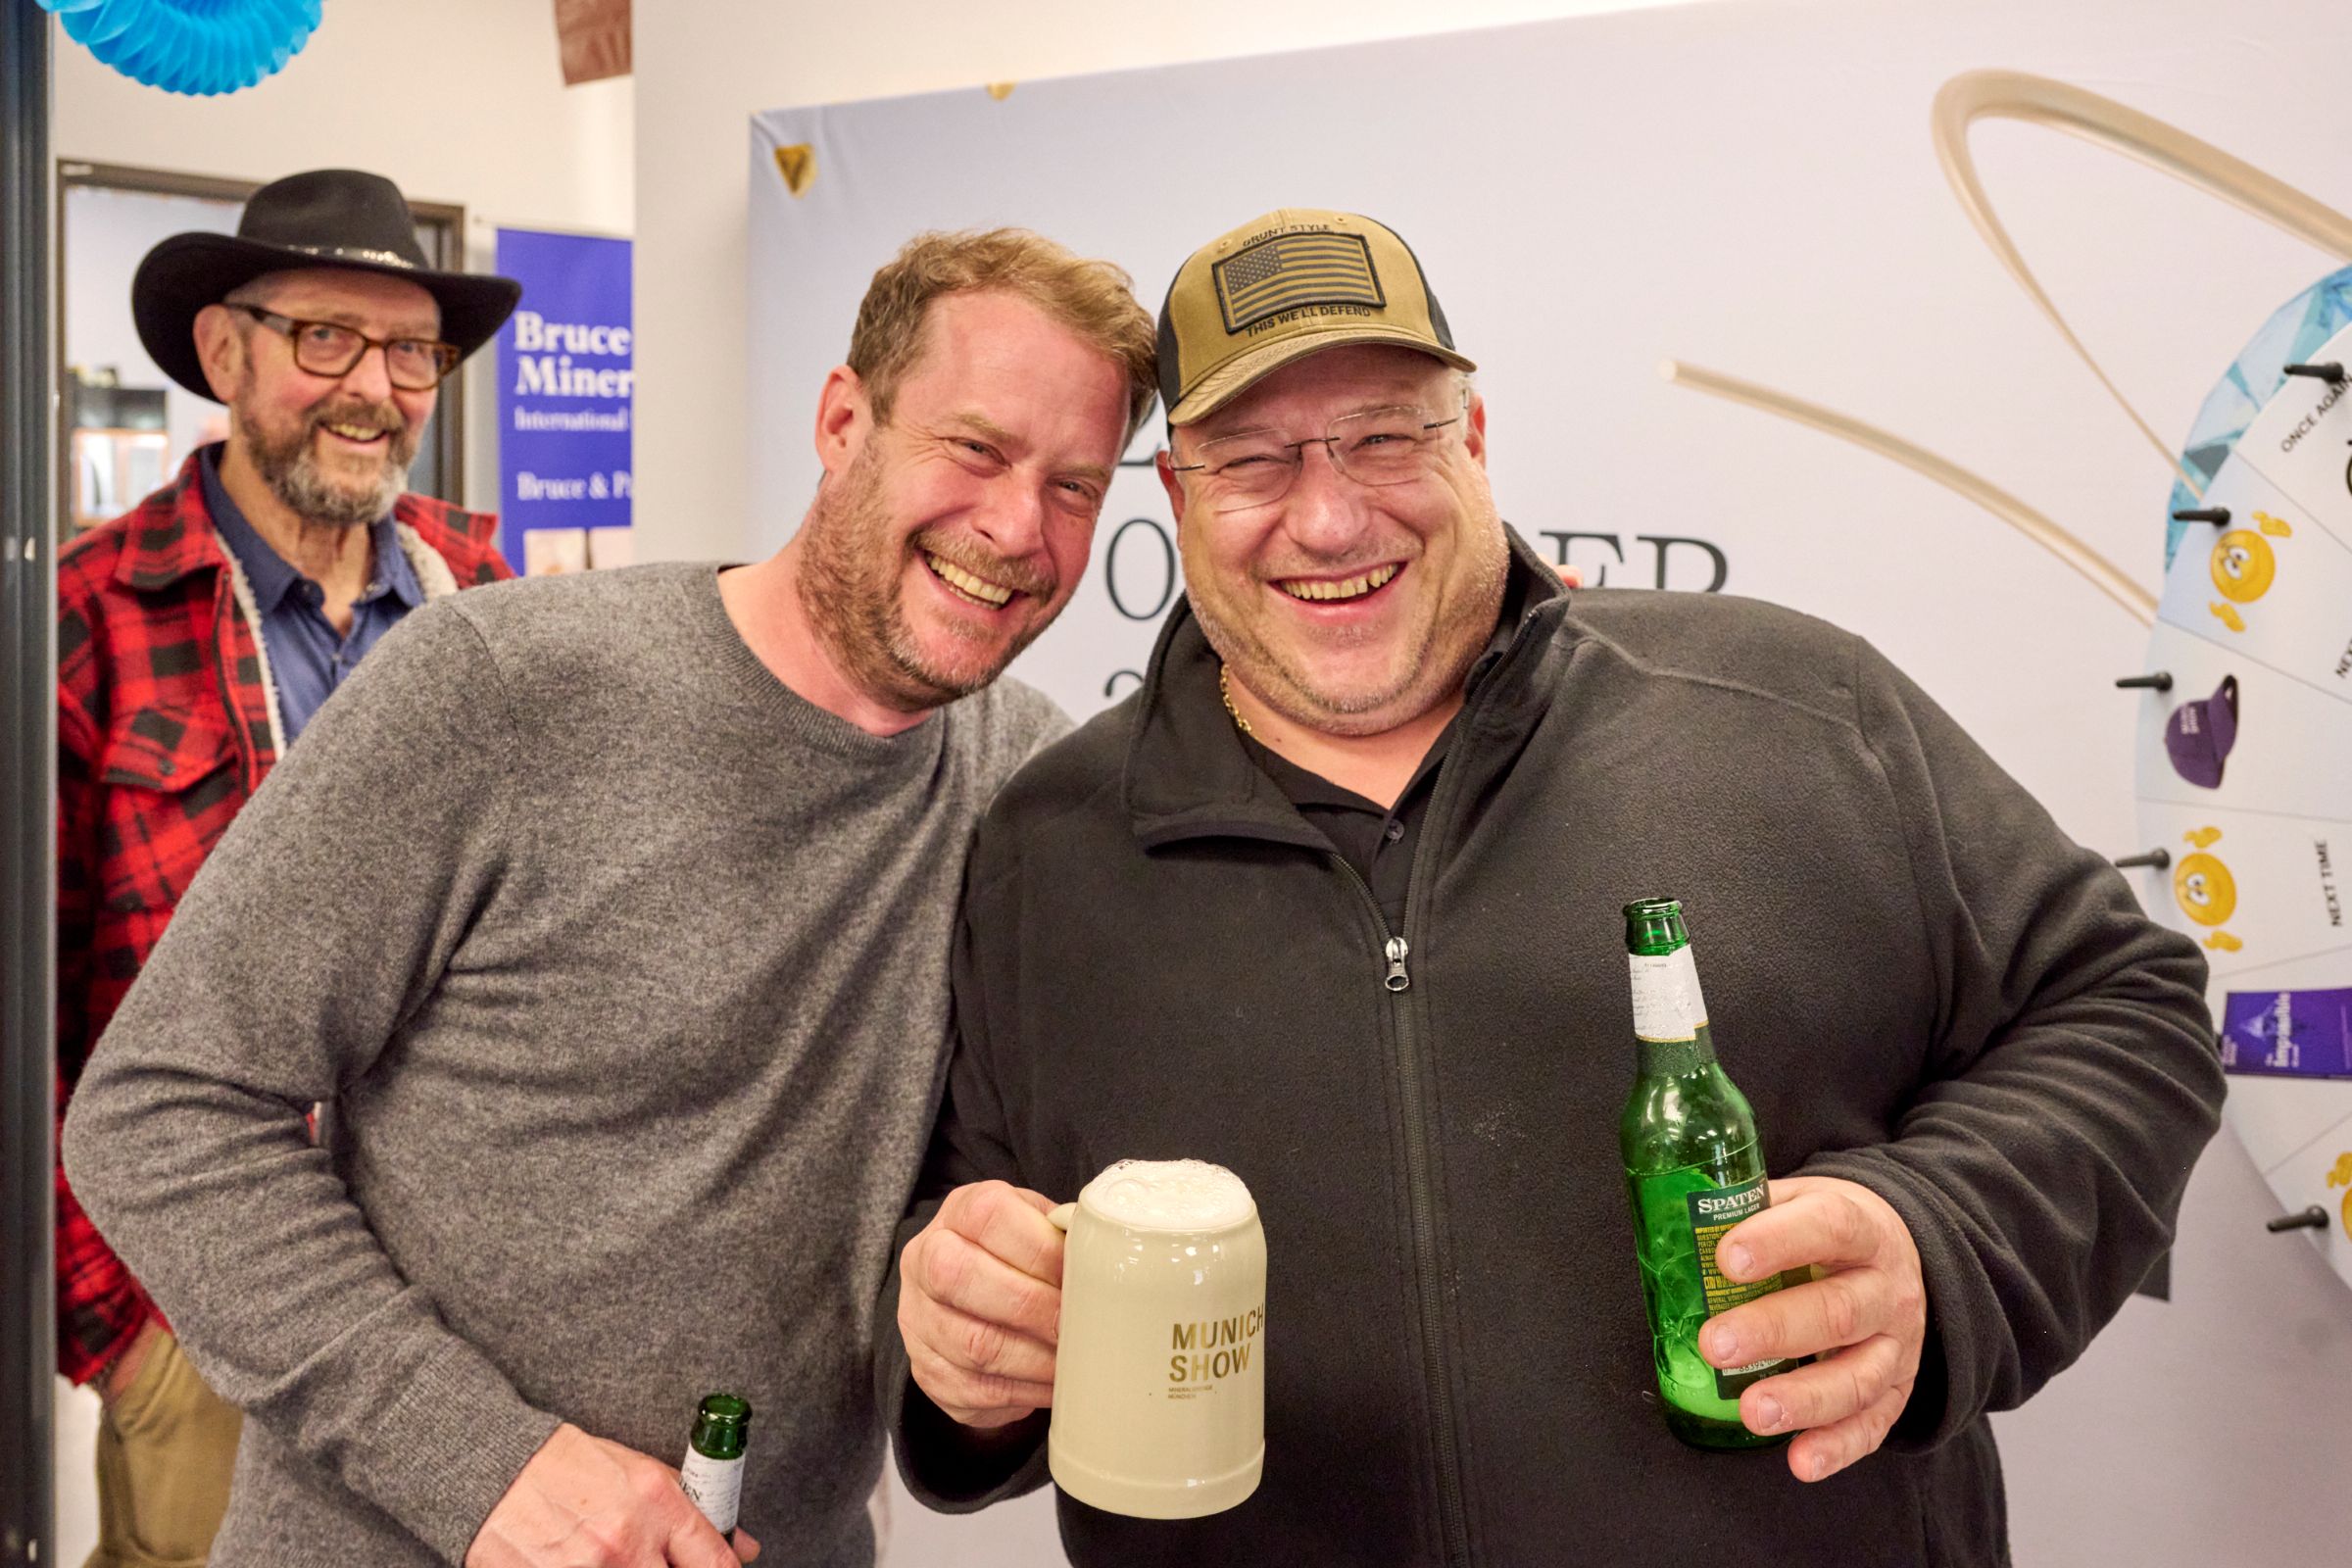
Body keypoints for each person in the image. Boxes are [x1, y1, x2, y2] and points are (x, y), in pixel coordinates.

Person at [883, 209, 2225, 1565]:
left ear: (1472, 440)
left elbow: (2127, 1008)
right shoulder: (1047, 849)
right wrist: (959, 1345)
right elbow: (971, 1253)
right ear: (1179, 498)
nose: (1329, 515)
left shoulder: (1793, 710)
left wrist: (1939, 1242)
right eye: (1251, 459)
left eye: (1383, 436)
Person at [63, 227, 1157, 1567]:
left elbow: (923, 1210)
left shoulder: (1030, 789)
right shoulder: (499, 687)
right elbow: (161, 1109)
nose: (1018, 527)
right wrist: (487, 1468)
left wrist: (967, 1302)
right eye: (976, 449)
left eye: (1073, 486)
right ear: (842, 421)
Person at [56, 167, 520, 1568]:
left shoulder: (487, 605)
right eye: (327, 337)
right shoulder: (87, 616)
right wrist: (121, 1322)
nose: (374, 388)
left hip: (461, 1307)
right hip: (204, 1301)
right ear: (224, 352)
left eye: (410, 352)